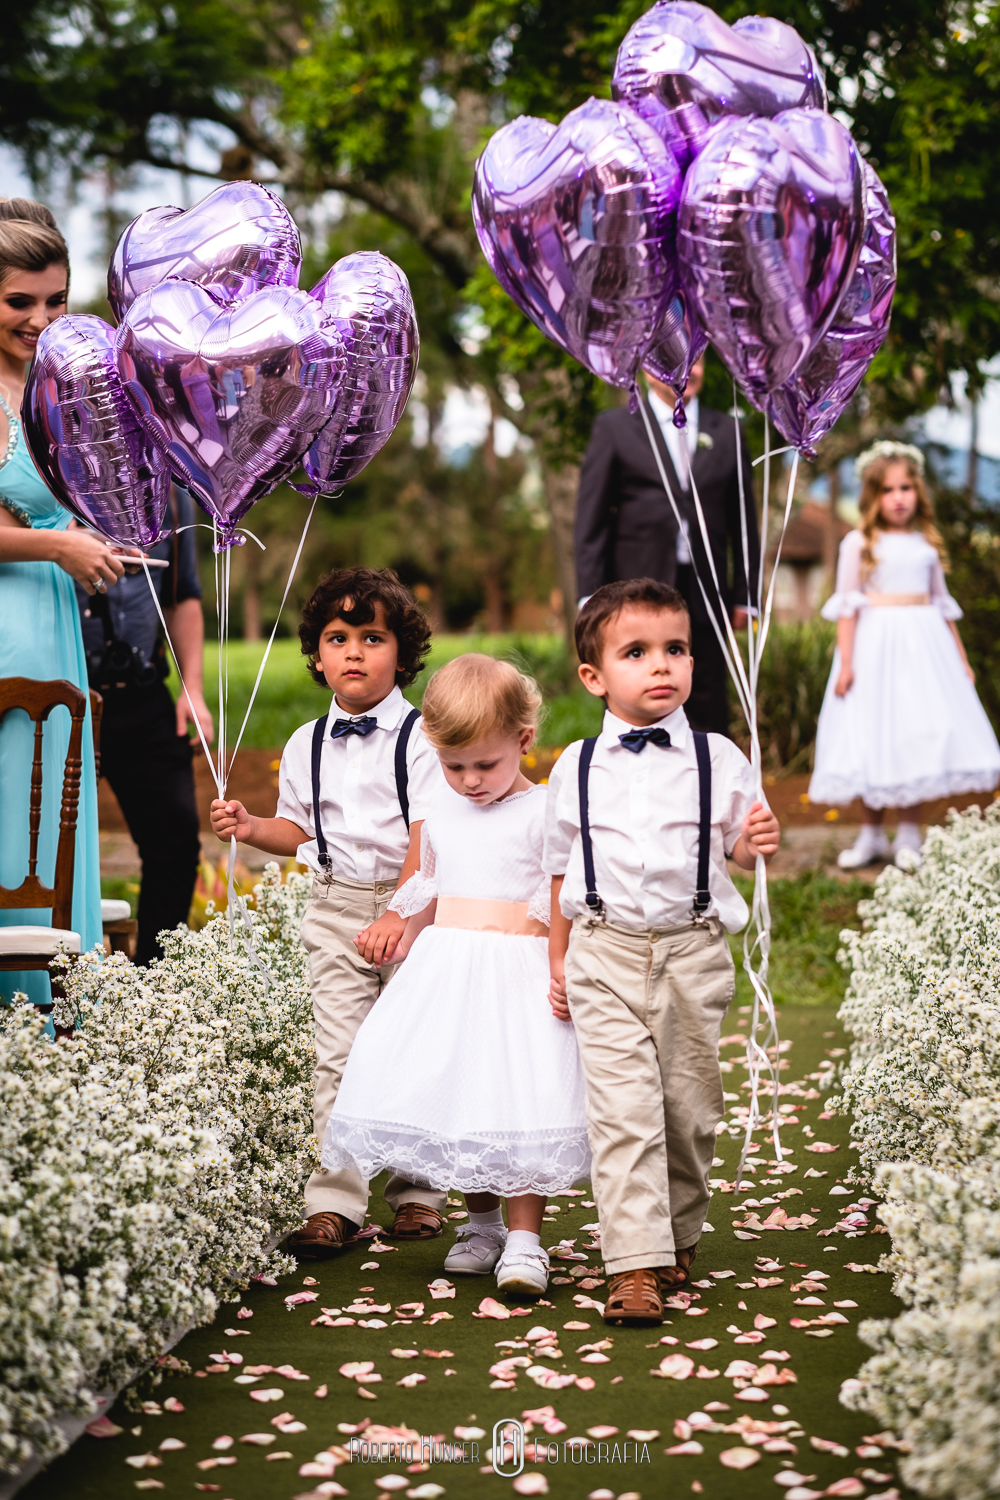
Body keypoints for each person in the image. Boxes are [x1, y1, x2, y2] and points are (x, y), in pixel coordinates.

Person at [544, 578, 780, 1327]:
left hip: (693, 951)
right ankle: (635, 1264)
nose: (661, 666)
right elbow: (557, 873)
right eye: (637, 651)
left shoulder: (720, 758)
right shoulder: (573, 767)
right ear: (594, 676)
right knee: (624, 1113)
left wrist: (753, 842)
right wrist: (556, 960)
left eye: (675, 649)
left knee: (688, 1110)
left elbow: (737, 848)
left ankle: (677, 1234)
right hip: (604, 952)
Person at [322, 654, 590, 1297]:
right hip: (451, 971)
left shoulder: (545, 810)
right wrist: (401, 929)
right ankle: (483, 1225)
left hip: (519, 972)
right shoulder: (440, 807)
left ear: (524, 741)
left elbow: (560, 897)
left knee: (518, 1100)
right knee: (463, 1099)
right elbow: (430, 885)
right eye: (454, 765)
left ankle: (527, 1240)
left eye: (485, 765)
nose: (469, 781)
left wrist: (562, 964)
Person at [209, 567, 448, 1257]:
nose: (353, 652)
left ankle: (418, 1193)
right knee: (338, 1056)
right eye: (337, 637)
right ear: (316, 654)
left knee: (413, 1050)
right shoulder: (305, 743)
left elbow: (426, 842)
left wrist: (399, 917)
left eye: (372, 637)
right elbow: (302, 831)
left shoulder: (424, 738)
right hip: (336, 907)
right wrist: (254, 827)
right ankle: (335, 1200)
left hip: (414, 909)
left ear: (401, 655)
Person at [0, 198, 131, 1006]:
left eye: (56, 300)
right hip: (8, 629)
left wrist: (88, 535)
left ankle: (51, 1031)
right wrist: (59, 544)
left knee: (55, 807)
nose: (41, 319)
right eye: (20, 300)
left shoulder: (55, 387)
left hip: (55, 624)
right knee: (15, 802)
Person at [810, 441, 1000, 868]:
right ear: (872, 497)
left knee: (913, 733)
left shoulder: (924, 545)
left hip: (923, 652)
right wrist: (846, 661)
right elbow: (846, 606)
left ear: (918, 493)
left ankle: (910, 834)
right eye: (888, 490)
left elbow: (943, 605)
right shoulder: (858, 543)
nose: (898, 498)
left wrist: (961, 659)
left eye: (906, 488)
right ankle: (871, 834)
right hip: (874, 650)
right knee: (874, 733)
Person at [574, 361, 759, 735]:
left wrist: (746, 595)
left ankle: (706, 780)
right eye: (668, 358)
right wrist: (589, 595)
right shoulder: (614, 427)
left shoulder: (728, 431)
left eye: (695, 359)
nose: (683, 369)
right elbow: (591, 520)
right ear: (644, 366)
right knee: (637, 686)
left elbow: (744, 521)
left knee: (706, 687)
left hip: (707, 587)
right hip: (635, 585)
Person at [76, 484, 213, 964]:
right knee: (49, 851)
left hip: (143, 695)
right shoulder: (55, 473)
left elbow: (183, 596)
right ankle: (57, 989)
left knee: (174, 844)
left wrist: (191, 689)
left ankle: (152, 987)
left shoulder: (172, 491)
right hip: (65, 698)